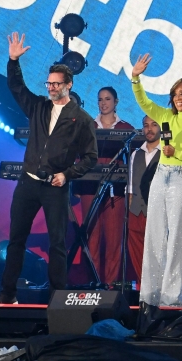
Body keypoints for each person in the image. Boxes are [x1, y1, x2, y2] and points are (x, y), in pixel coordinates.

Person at [1, 32, 98, 304]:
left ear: (69, 84)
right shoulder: (39, 107)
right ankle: (7, 294)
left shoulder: (81, 119)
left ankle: (57, 298)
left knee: (57, 244)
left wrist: (66, 175)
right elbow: (17, 87)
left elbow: (90, 157)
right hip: (28, 182)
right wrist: (13, 60)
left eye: (57, 84)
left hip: (55, 187)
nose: (52, 87)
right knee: (16, 239)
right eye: (49, 83)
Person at [131, 54, 182, 308]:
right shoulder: (166, 117)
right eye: (176, 94)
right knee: (154, 235)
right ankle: (150, 295)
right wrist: (136, 77)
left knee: (178, 238)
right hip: (161, 178)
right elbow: (144, 103)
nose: (178, 99)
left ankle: (173, 298)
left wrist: (177, 152)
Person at [76, 87, 135, 285]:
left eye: (107, 99)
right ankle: (92, 284)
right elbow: (78, 156)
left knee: (113, 240)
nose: (103, 103)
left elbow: (133, 162)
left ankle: (109, 287)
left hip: (116, 191)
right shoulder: (87, 125)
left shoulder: (126, 128)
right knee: (91, 238)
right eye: (100, 99)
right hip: (89, 188)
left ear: (116, 101)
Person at [126, 115, 161, 285]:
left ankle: (156, 287)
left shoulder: (167, 153)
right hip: (137, 211)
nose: (149, 129)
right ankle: (142, 287)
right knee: (136, 249)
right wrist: (131, 208)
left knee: (156, 251)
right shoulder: (135, 154)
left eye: (154, 125)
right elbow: (131, 187)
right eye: (146, 125)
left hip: (157, 212)